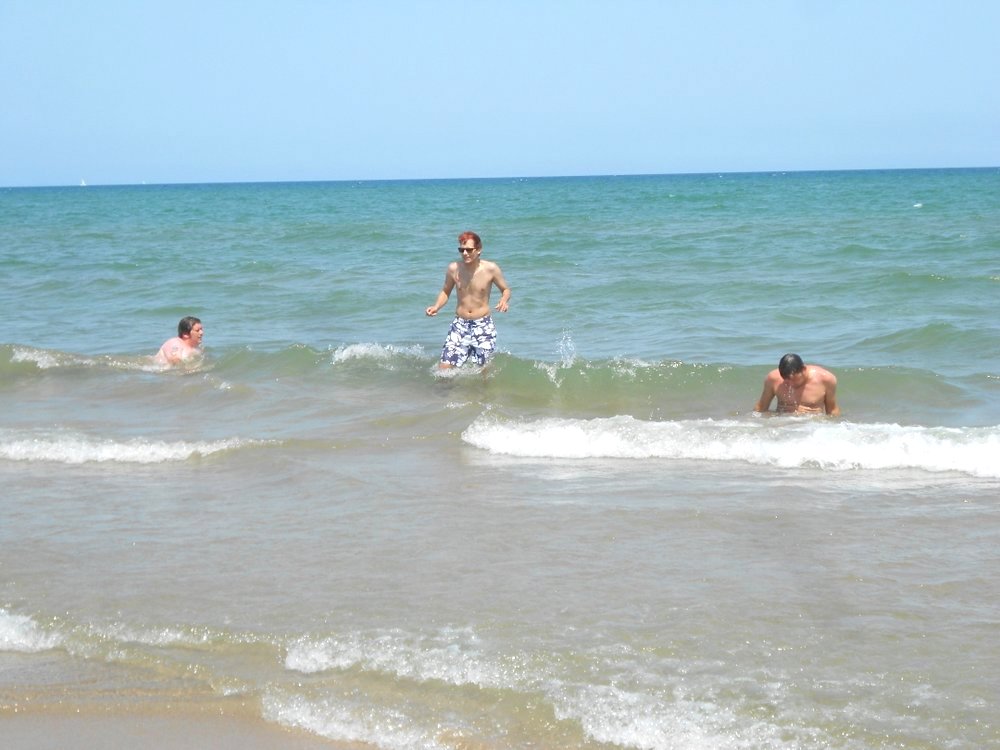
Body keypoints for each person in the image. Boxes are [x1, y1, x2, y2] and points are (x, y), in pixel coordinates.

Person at [425, 231, 511, 369]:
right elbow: (445, 291)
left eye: (469, 250)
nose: (465, 253)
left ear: (479, 249)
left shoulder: (491, 269)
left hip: (483, 325)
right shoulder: (454, 269)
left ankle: (484, 384)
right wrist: (436, 306)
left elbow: (506, 289)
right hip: (460, 325)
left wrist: (504, 300)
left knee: (483, 369)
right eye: (462, 250)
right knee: (444, 367)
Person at [754, 353, 840, 416]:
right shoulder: (773, 378)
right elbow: (761, 407)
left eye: (793, 379)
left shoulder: (826, 379)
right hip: (781, 425)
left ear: (804, 369)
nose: (790, 384)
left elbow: (832, 410)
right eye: (786, 380)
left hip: (812, 426)